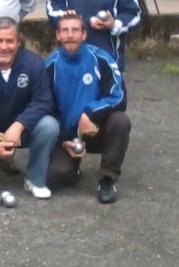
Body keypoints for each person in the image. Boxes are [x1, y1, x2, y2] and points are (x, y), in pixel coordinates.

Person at [0, 17, 59, 199]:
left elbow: (43, 101)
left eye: (10, 41)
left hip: (21, 131)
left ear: (18, 42)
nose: (4, 47)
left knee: (49, 125)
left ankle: (35, 179)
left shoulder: (34, 64)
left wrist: (19, 125)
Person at [45, 13, 131, 204]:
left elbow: (119, 97)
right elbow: (46, 108)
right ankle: (72, 168)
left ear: (84, 34)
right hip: (67, 136)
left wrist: (90, 114)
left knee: (120, 121)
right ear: (58, 35)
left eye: (75, 30)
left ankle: (107, 180)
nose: (70, 35)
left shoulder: (102, 59)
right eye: (65, 30)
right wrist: (63, 139)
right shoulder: (50, 66)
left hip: (96, 130)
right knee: (55, 177)